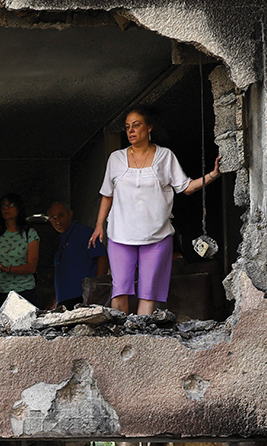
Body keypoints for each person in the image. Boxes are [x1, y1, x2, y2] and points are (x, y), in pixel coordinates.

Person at [89, 106, 221, 315]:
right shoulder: (116, 159)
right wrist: (99, 225)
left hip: (157, 235)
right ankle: (119, 332)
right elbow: (107, 194)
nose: (131, 130)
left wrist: (213, 174)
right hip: (120, 234)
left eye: (136, 125)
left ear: (149, 127)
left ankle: (141, 333)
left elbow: (186, 188)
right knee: (120, 290)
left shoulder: (165, 156)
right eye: (127, 127)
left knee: (148, 293)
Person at [47, 201, 109, 309]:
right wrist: (54, 298)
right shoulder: (59, 240)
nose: (58, 221)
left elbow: (102, 257)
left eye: (61, 215)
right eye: (53, 218)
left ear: (70, 214)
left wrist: (97, 288)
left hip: (84, 297)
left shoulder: (84, 232)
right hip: (63, 299)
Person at [0, 193, 39, 308]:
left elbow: (31, 267)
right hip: (0, 291)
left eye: (10, 205)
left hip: (23, 291)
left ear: (19, 208)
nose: (6, 208)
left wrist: (7, 268)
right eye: (3, 206)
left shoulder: (29, 233)